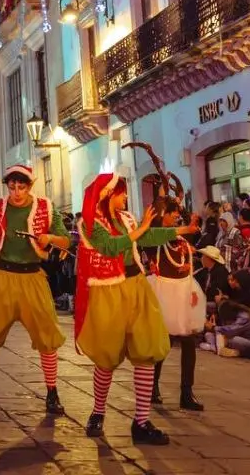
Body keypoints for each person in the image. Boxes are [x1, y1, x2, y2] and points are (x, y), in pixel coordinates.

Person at [74, 170, 198, 445]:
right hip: (108, 292)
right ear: (108, 195)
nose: (127, 197)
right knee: (106, 357)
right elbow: (109, 247)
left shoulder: (128, 219)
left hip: (136, 286)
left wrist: (182, 230)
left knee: (146, 351)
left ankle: (141, 421)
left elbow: (147, 237)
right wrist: (140, 230)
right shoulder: (90, 223)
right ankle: (97, 412)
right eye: (122, 193)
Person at [0, 164, 69, 420]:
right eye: (12, 187)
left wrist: (49, 239)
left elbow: (65, 239)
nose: (16, 192)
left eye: (21, 187)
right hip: (2, 276)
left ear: (30, 186)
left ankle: (52, 393)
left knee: (47, 336)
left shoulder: (46, 207)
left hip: (33, 277)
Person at [147, 204, 206, 411]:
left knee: (189, 341)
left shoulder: (182, 239)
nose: (176, 218)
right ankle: (152, 387)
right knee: (163, 343)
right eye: (172, 214)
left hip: (182, 291)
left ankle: (186, 392)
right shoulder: (153, 239)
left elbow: (188, 265)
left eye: (177, 215)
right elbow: (151, 235)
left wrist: (190, 290)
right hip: (164, 292)